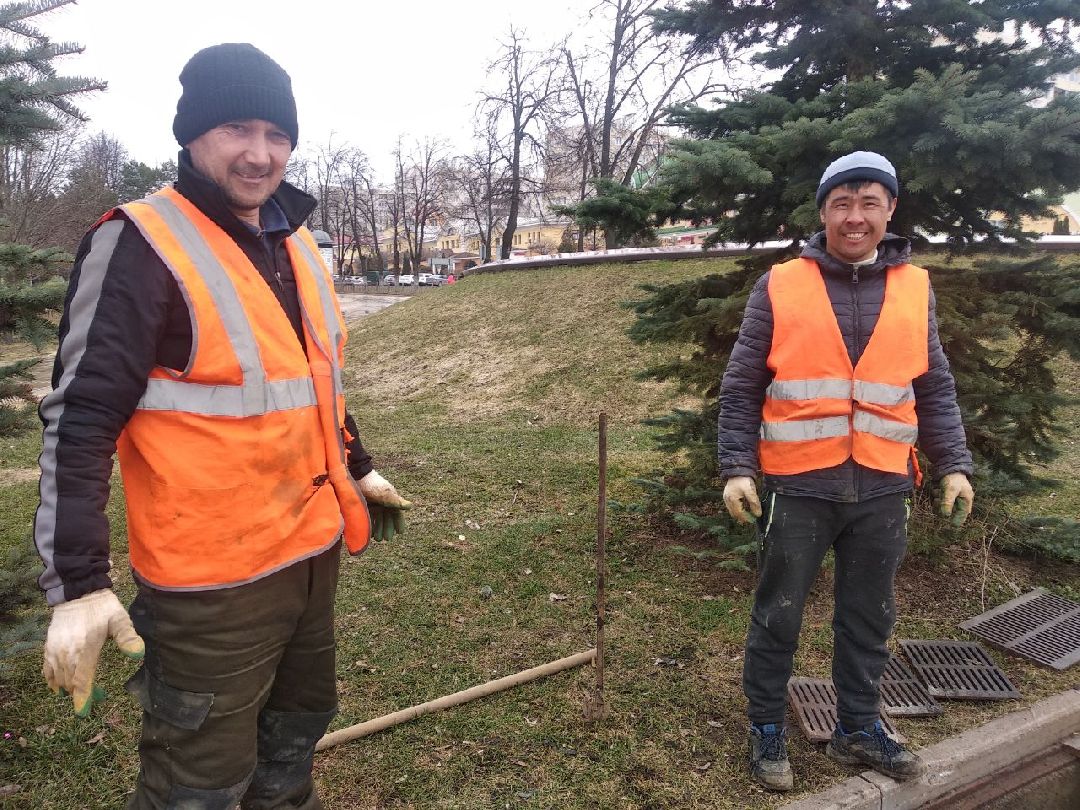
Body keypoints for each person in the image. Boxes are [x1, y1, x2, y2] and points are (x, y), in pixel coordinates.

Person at [34, 43, 411, 809]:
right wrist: (77, 582)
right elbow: (80, 419)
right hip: (210, 586)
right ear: (193, 134)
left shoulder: (296, 241)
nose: (260, 153)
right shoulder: (141, 243)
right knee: (197, 781)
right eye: (237, 128)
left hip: (309, 550)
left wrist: (359, 463)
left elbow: (312, 380)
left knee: (294, 738)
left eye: (277, 133)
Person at [718, 151, 974, 792]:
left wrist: (954, 465)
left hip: (885, 483)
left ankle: (857, 727)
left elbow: (933, 383)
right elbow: (743, 383)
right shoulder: (780, 283)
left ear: (890, 210)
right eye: (841, 203)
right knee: (778, 611)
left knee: (869, 615)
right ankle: (767, 727)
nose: (854, 218)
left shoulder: (916, 287)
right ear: (823, 211)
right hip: (799, 483)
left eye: (869, 203)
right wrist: (737, 468)